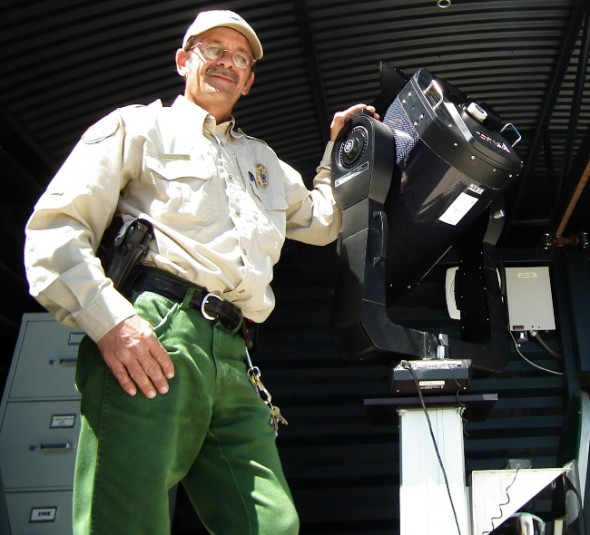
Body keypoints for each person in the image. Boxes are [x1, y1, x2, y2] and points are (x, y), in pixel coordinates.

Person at [24, 9, 378, 535]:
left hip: (234, 353)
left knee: (272, 524)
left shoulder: (265, 162)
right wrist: (112, 322)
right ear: (183, 59)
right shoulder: (137, 127)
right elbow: (56, 231)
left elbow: (325, 221)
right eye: (213, 49)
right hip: (155, 332)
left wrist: (338, 147)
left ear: (250, 81)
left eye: (240, 58)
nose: (227, 63)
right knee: (126, 522)